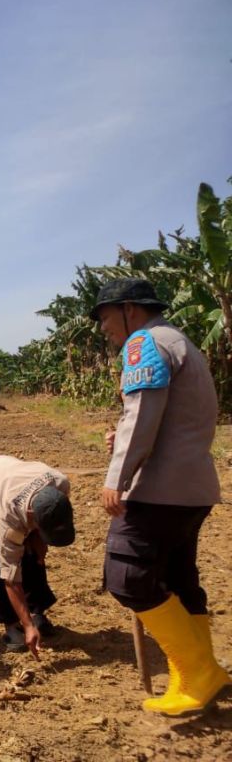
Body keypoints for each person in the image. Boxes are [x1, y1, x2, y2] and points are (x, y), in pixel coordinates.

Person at [92, 277, 229, 715]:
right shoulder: (182, 342)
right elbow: (173, 417)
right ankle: (196, 676)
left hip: (158, 489)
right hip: (192, 487)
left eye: (105, 316)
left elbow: (142, 413)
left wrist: (117, 475)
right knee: (177, 579)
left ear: (130, 309)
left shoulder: (143, 343)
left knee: (127, 575)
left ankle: (198, 671)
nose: (102, 328)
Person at [0, 455, 75, 658]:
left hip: (9, 476)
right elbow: (11, 577)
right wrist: (27, 626)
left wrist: (40, 544)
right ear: (31, 514)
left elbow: (45, 524)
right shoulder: (9, 516)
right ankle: (12, 624)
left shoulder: (60, 484)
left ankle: (37, 611)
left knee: (32, 550)